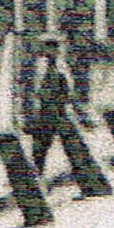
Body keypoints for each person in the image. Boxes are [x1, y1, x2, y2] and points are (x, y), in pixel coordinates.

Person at [26, 36, 74, 180]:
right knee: (40, 143)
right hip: (43, 109)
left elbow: (68, 88)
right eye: (48, 47)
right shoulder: (37, 65)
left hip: (59, 109)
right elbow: (30, 87)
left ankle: (77, 171)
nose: (52, 50)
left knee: (68, 141)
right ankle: (37, 172)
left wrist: (67, 104)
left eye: (55, 47)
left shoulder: (62, 65)